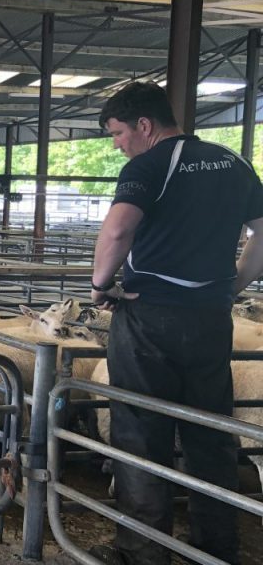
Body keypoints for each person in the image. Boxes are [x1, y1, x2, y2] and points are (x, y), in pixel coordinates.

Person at [88, 81, 263, 565]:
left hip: (150, 317)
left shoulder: (148, 165)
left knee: (142, 430)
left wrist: (100, 285)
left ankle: (143, 552)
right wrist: (233, 287)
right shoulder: (234, 162)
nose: (117, 143)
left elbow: (119, 228)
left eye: (118, 133)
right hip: (210, 320)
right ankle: (216, 547)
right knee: (210, 433)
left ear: (144, 125)